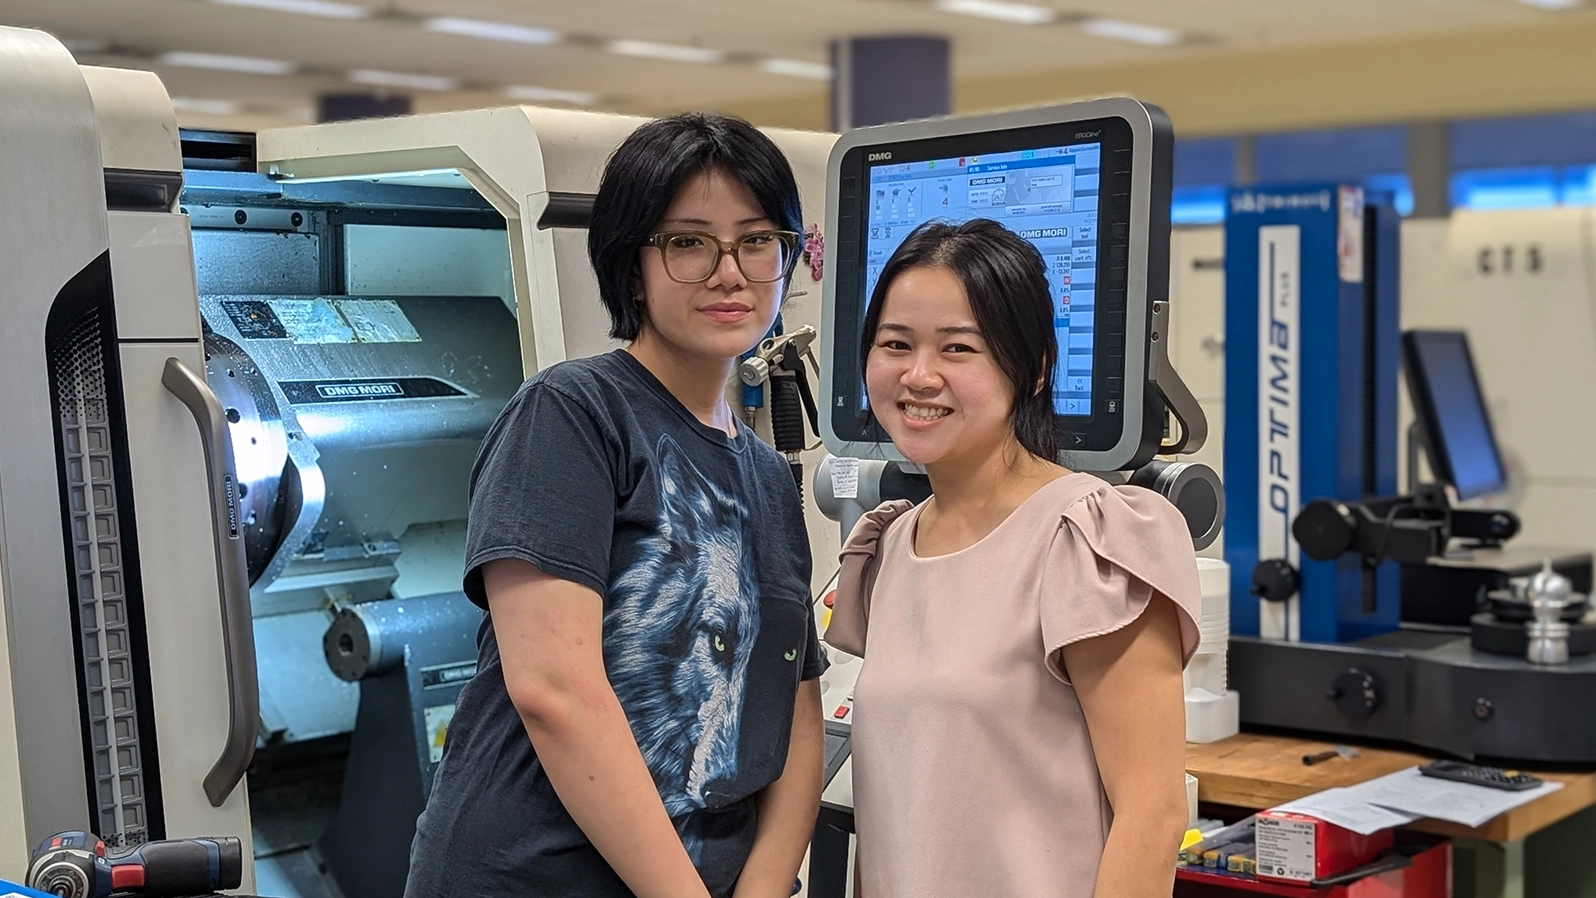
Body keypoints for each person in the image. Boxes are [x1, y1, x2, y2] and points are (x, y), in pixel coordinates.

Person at [405, 113, 826, 898]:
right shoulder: (572, 414)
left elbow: (795, 699)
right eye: (689, 242)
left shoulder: (769, 475)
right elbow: (553, 689)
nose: (729, 272)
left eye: (757, 239)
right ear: (634, 267)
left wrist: (766, 884)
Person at [825, 219, 1200, 898]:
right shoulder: (889, 549)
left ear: (1033, 368)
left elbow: (1154, 812)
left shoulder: (1086, 538)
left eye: (958, 348)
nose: (918, 375)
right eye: (895, 344)